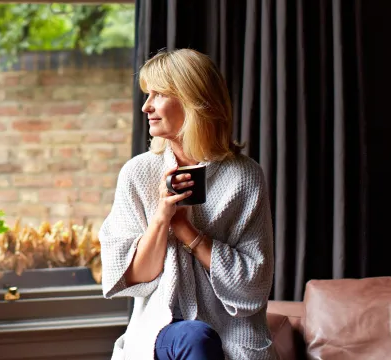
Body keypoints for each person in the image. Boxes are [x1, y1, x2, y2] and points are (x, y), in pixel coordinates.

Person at [99, 48, 276, 360]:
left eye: (159, 94)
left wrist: (185, 230)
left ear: (193, 101)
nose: (146, 106)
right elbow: (129, 276)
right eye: (146, 94)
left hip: (233, 331)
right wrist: (162, 218)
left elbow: (253, 285)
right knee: (195, 337)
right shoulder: (138, 173)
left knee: (206, 340)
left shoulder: (244, 176)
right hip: (163, 330)